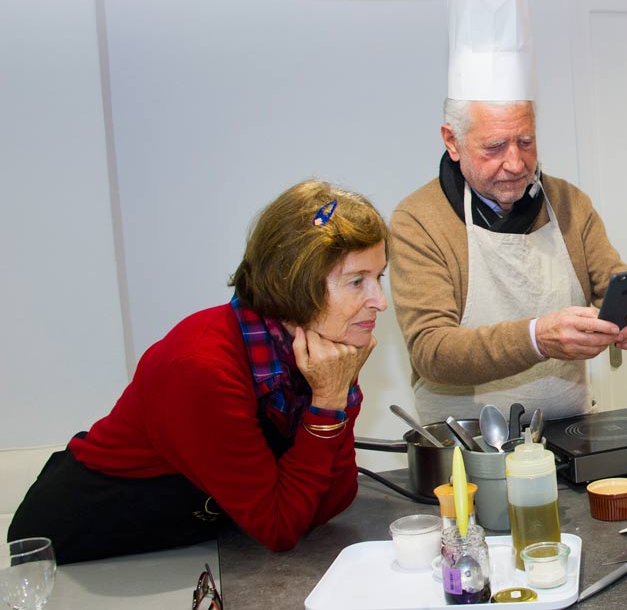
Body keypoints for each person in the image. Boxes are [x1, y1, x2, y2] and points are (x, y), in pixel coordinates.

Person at [8, 180, 389, 564]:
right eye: (358, 281)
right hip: (81, 552)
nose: (380, 301)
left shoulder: (318, 353)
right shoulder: (202, 368)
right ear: (296, 281)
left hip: (182, 537)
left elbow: (330, 502)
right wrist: (327, 404)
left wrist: (339, 392)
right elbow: (280, 527)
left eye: (379, 277)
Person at [390, 0, 627, 422]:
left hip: (570, 433)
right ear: (452, 142)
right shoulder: (419, 220)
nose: (516, 163)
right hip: (464, 446)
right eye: (494, 147)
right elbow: (432, 349)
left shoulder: (569, 204)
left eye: (527, 141)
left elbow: (625, 285)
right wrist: (536, 338)